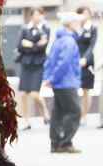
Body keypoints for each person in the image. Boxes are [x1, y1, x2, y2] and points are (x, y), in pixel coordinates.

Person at [44, 12, 83, 154]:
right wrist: (53, 78)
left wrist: (49, 78)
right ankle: (65, 143)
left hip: (59, 83)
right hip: (67, 82)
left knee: (58, 113)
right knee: (75, 111)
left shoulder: (58, 40)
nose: (79, 24)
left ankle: (55, 144)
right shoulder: (69, 41)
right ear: (71, 24)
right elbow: (64, 63)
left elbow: (49, 61)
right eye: (77, 22)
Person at [17, 7, 51, 130]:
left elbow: (43, 47)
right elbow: (19, 46)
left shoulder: (45, 29)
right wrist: (36, 44)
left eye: (40, 15)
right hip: (26, 64)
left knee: (35, 93)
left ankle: (45, 112)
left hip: (38, 64)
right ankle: (26, 121)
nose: (38, 17)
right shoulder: (24, 28)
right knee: (23, 94)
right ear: (31, 16)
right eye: (36, 15)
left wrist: (30, 44)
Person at [75, 7, 98, 126]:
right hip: (74, 61)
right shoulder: (76, 27)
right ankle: (76, 114)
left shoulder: (92, 28)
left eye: (87, 13)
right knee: (74, 88)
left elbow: (92, 46)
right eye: (82, 13)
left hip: (86, 62)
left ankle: (84, 116)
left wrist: (85, 58)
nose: (84, 16)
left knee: (86, 89)